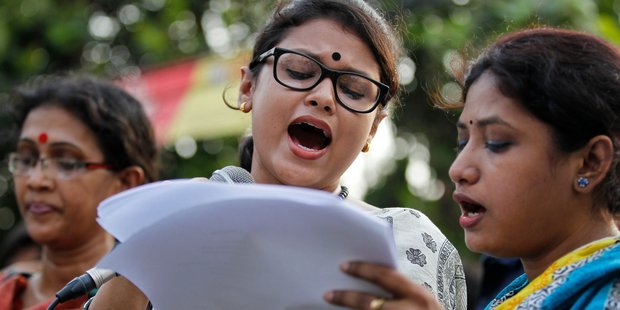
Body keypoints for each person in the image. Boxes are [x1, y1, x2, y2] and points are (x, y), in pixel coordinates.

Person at [88, 0, 467, 309]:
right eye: (299, 71)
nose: (322, 97)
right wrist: (144, 255)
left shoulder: (411, 241)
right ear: (247, 88)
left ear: (373, 127)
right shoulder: (175, 220)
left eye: (353, 90)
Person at [324, 27, 620, 309]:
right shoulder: (517, 295)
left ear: (590, 162)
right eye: (462, 142)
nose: (459, 169)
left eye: (497, 142)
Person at [0, 75, 159, 310]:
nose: (35, 180)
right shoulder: (6, 289)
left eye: (66, 162)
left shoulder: (156, 300)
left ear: (126, 183)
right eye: (26, 159)